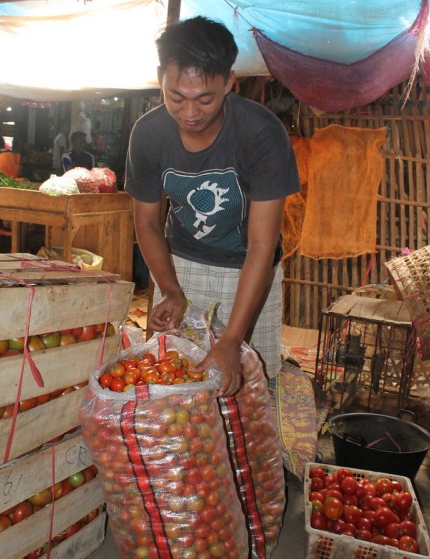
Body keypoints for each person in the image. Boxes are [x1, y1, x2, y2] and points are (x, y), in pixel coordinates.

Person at [124, 16, 300, 396]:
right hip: (180, 263)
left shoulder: (262, 133)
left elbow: (261, 245)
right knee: (173, 384)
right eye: (177, 97)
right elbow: (149, 225)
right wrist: (171, 289)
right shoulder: (148, 135)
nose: (190, 113)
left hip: (248, 271)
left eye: (205, 98)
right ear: (160, 79)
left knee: (250, 390)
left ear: (229, 83)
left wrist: (232, 340)